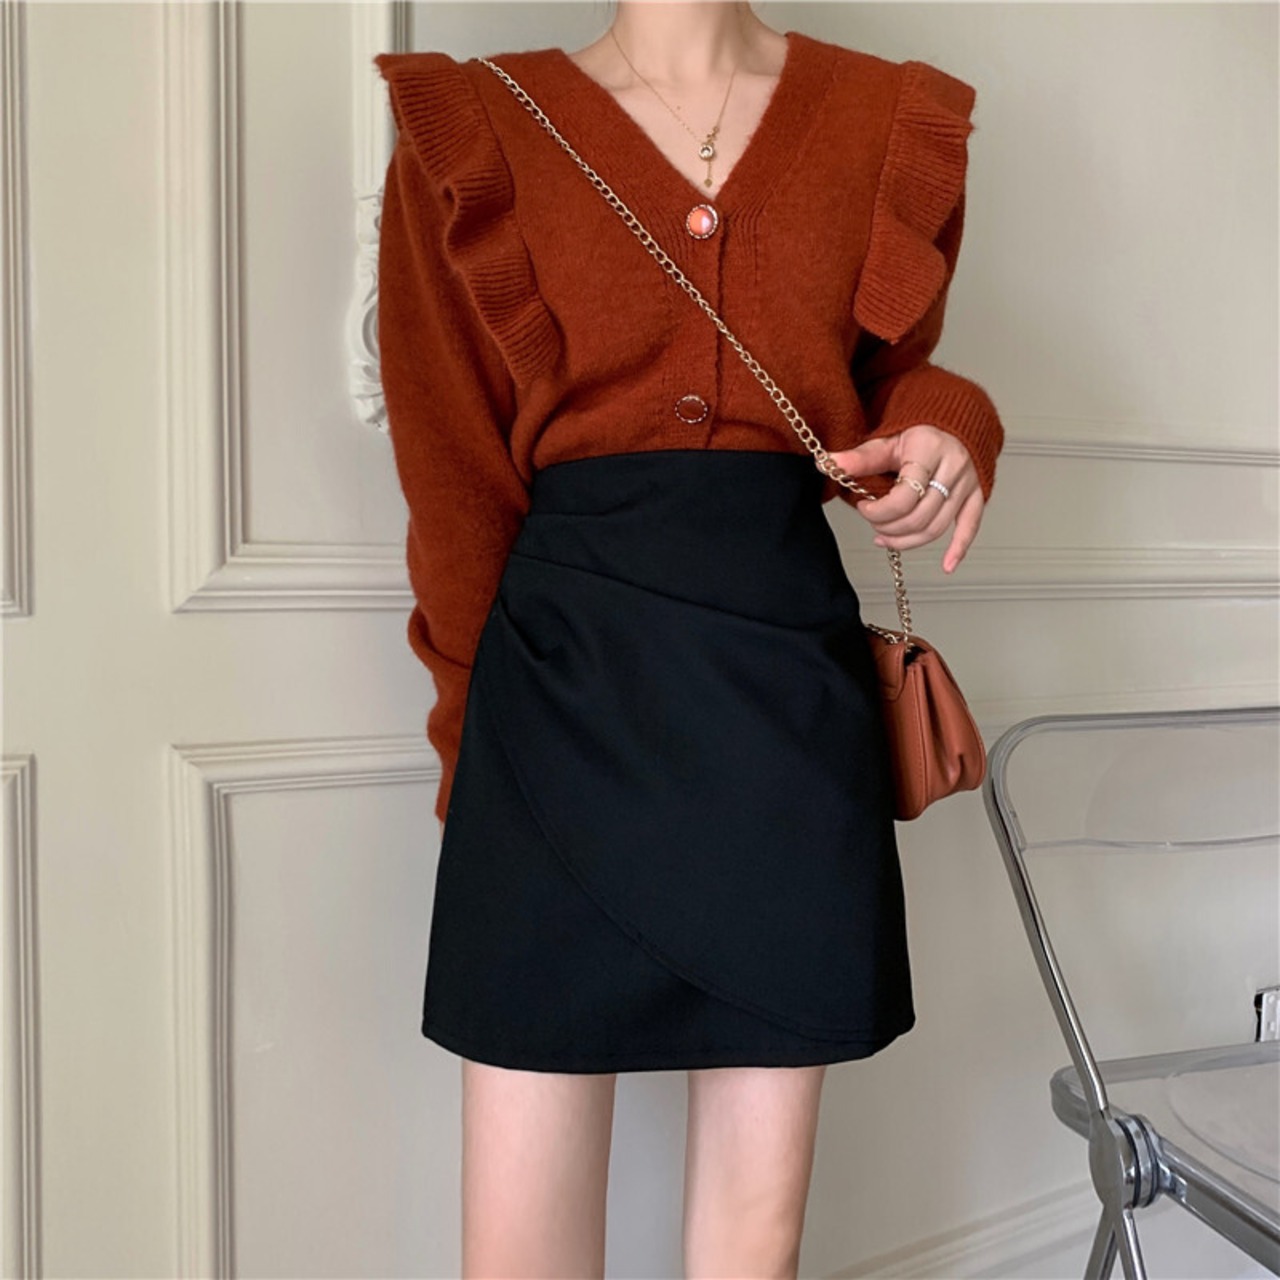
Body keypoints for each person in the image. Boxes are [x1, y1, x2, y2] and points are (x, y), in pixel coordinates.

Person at [373, 2, 1004, 1275]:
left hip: (779, 707)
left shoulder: (888, 119)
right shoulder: (474, 127)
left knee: (750, 1248)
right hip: (551, 705)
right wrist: (469, 760)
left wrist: (949, 420)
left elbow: (883, 381)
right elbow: (452, 486)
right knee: (519, 1253)